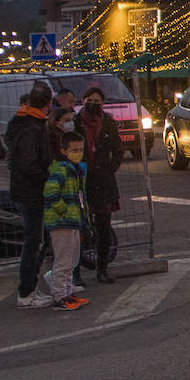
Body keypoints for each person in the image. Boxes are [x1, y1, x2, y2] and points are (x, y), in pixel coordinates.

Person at [7, 82, 54, 308]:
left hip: (25, 190)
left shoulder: (21, 122)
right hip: (32, 192)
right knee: (34, 241)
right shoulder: (32, 127)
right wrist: (46, 178)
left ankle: (29, 289)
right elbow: (28, 163)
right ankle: (26, 292)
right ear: (48, 104)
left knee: (36, 240)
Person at [78, 87, 122, 283]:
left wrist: (110, 168)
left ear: (103, 103)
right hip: (81, 180)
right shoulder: (76, 122)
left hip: (103, 181)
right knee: (79, 226)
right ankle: (74, 272)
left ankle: (102, 268)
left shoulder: (108, 123)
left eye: (97, 100)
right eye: (90, 100)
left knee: (104, 227)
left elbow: (118, 149)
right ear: (83, 100)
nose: (93, 103)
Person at [43, 132, 90, 311]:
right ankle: (59, 297)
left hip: (72, 221)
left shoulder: (74, 170)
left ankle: (67, 293)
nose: (78, 153)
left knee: (71, 259)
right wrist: (62, 210)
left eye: (80, 150)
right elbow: (50, 191)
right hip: (62, 222)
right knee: (63, 260)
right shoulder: (62, 169)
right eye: (74, 150)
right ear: (63, 150)